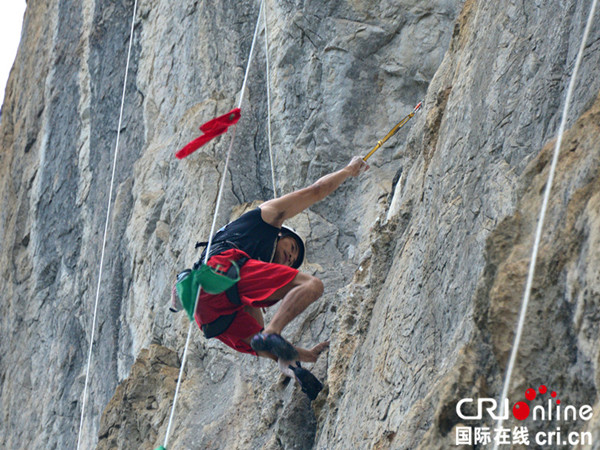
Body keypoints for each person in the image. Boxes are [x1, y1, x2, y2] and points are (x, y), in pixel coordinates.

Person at [191, 156, 369, 397]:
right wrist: (348, 170)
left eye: (293, 260)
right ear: (281, 234)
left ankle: (293, 369)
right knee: (312, 285)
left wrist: (308, 354)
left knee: (267, 341)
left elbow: (264, 345)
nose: (289, 258)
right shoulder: (266, 218)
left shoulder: (253, 273)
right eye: (291, 248)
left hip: (209, 312)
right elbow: (315, 191)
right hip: (220, 270)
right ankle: (273, 333)